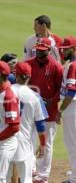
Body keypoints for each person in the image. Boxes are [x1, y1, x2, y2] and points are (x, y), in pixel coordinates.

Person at [26, 37, 63, 183]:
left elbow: (62, 88)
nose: (40, 54)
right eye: (38, 51)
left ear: (49, 50)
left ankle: (43, 174)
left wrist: (52, 101)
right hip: (31, 110)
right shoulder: (29, 64)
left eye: (43, 51)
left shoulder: (56, 67)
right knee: (29, 140)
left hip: (49, 111)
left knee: (46, 143)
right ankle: (32, 169)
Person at [9, 62, 48, 183]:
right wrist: (42, 145)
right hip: (25, 143)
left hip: (5, 141)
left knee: (3, 178)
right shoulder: (35, 96)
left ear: (16, 75)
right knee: (26, 179)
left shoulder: (5, 92)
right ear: (29, 77)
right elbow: (41, 127)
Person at [57, 36, 76, 183]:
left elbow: (70, 93)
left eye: (66, 48)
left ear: (74, 49)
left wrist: (60, 110)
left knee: (72, 143)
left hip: (72, 108)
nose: (63, 51)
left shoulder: (73, 66)